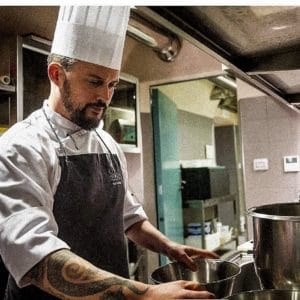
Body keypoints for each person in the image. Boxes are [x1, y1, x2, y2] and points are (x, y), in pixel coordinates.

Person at [0, 6, 218, 299]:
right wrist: (145, 295)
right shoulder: (22, 147)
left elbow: (129, 218)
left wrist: (168, 247)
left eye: (112, 84)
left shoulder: (106, 142)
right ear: (57, 74)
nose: (104, 97)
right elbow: (38, 259)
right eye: (94, 82)